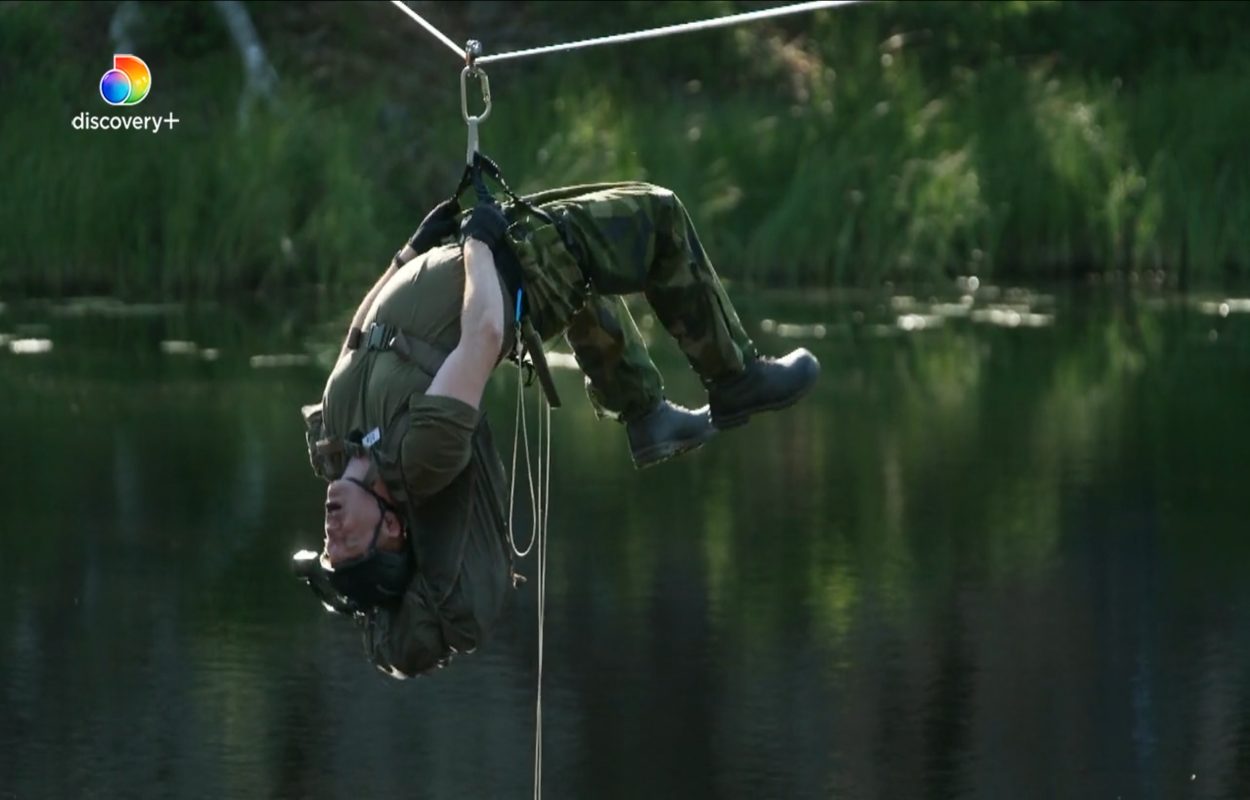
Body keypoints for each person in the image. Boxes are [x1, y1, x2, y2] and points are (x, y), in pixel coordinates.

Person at [295, 178, 820, 677]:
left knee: (582, 281)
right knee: (658, 216)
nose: (330, 531)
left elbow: (356, 338)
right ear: (390, 528)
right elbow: (483, 335)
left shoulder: (335, 448)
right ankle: (735, 378)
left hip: (468, 258)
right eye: (347, 543)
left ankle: (644, 414)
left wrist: (407, 255)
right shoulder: (420, 458)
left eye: (327, 541)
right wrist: (480, 245)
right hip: (508, 276)